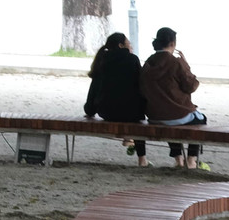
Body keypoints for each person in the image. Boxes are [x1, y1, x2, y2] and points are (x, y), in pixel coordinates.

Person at [140, 26, 208, 169]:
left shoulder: (148, 63)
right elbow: (191, 86)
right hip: (177, 115)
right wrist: (186, 65)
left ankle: (178, 159)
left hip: (154, 116)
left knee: (169, 116)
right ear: (173, 44)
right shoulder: (175, 62)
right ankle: (191, 160)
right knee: (200, 119)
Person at [83, 32, 149, 167]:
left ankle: (128, 139)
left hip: (107, 112)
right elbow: (142, 85)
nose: (131, 47)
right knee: (135, 117)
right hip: (132, 113)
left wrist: (89, 110)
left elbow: (94, 89)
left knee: (128, 112)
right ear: (121, 45)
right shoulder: (132, 60)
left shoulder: (102, 60)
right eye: (129, 44)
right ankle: (142, 159)